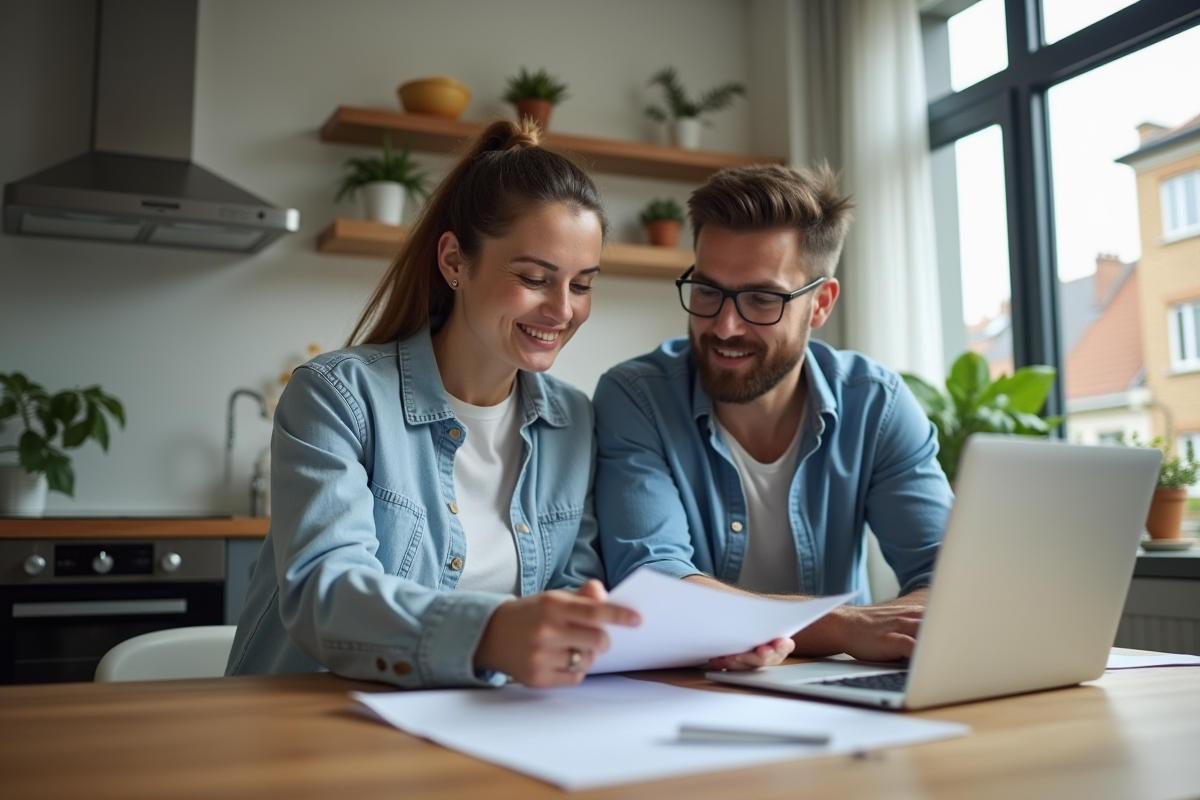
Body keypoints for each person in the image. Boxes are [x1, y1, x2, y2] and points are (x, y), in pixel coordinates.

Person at [227, 120, 643, 689]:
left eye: (582, 284)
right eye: (533, 278)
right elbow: (327, 593)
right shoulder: (337, 396)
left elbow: (575, 601)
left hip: (484, 731)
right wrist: (492, 634)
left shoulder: (574, 422)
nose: (562, 310)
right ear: (454, 261)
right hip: (314, 727)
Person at [593, 163, 954, 665]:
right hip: (689, 693)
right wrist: (846, 627)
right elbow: (656, 585)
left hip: (838, 693)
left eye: (762, 299)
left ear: (821, 303)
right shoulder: (636, 398)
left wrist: (736, 623)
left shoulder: (876, 403)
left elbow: (951, 578)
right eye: (707, 290)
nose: (724, 325)